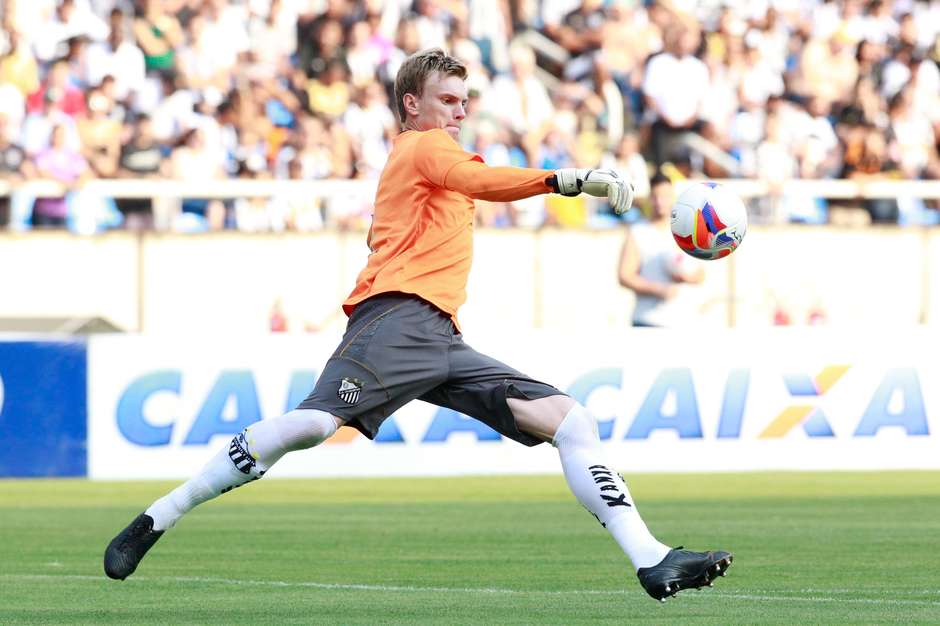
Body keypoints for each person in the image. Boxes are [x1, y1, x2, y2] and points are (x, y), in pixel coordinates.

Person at [104, 48, 731, 602]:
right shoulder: (425, 146)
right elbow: (479, 179)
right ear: (413, 105)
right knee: (315, 424)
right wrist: (563, 180)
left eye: (464, 102)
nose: (459, 112)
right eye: (447, 100)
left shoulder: (432, 159)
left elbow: (461, 188)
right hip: (398, 320)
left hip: (439, 338)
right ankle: (161, 514)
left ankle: (651, 559)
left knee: (570, 420)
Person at [618, 172, 706, 327]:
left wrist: (686, 276)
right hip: (648, 321)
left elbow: (700, 274)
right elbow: (625, 276)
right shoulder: (638, 232)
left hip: (684, 321)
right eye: (655, 196)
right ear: (649, 199)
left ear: (673, 196)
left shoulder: (687, 229)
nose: (660, 202)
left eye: (665, 196)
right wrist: (658, 289)